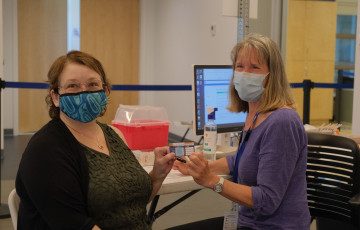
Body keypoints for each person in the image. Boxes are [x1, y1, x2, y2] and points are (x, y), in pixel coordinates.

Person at [15, 50, 176, 230]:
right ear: (55, 97)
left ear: (105, 91)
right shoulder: (45, 150)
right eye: (72, 86)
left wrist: (157, 175)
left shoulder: (115, 135)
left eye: (92, 84)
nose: (84, 92)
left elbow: (130, 203)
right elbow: (74, 224)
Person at [171, 33, 311, 230]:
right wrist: (199, 168)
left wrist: (211, 181)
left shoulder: (282, 122)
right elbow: (241, 159)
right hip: (250, 222)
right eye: (240, 66)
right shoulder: (255, 115)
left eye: (255, 67)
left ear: (272, 75)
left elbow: (267, 200)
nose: (245, 73)